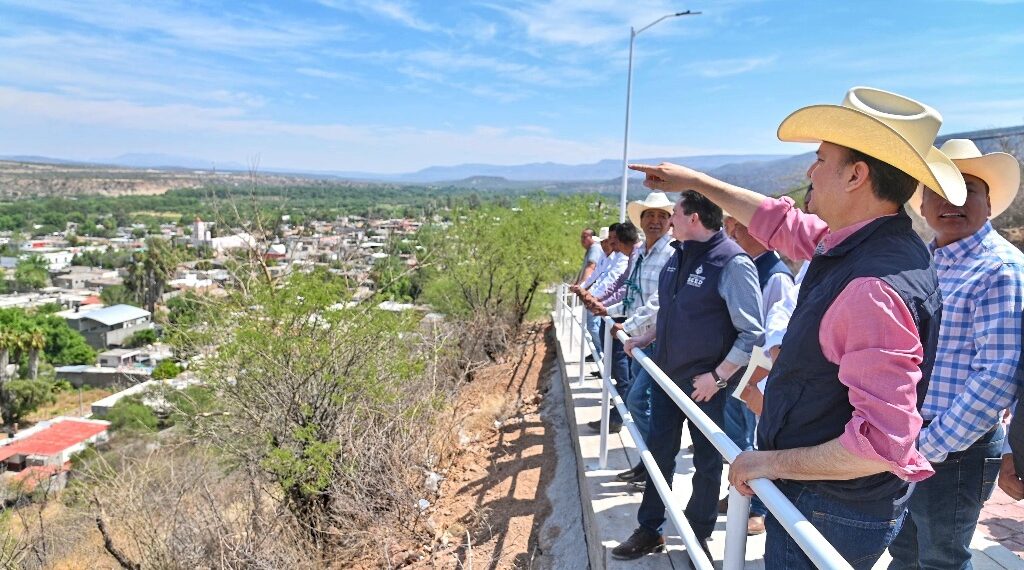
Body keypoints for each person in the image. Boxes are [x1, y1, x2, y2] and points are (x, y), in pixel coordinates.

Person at [629, 86, 966, 569]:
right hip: (830, 498)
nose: (810, 171)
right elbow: (778, 222)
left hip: (830, 506)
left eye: (821, 158)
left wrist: (768, 462)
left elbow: (879, 445)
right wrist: (698, 181)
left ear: (856, 175)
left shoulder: (871, 286)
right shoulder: (865, 244)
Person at [888, 139, 1024, 569]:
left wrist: (930, 445)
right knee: (906, 549)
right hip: (916, 440)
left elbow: (998, 374)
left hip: (952, 449)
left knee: (940, 559)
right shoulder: (928, 260)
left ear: (989, 205)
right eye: (941, 191)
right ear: (923, 205)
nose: (953, 201)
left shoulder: (998, 268)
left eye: (968, 190)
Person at [610, 191, 763, 562]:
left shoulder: (731, 263)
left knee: (707, 465)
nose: (669, 220)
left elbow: (752, 333)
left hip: (707, 389)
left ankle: (698, 537)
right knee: (658, 456)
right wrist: (648, 336)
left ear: (693, 218)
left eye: (674, 214)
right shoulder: (678, 256)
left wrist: (718, 376)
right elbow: (673, 311)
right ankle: (651, 531)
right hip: (667, 380)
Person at [720, 212, 794, 535]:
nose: (734, 233)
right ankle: (740, 493)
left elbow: (774, 336)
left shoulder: (776, 276)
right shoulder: (745, 266)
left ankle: (760, 509)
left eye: (742, 227)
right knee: (737, 432)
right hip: (743, 367)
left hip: (759, 373)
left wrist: (757, 380)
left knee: (757, 437)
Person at [583, 193, 674, 437]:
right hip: (638, 340)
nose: (655, 221)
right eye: (650, 215)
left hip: (656, 339)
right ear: (641, 221)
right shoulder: (642, 253)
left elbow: (661, 300)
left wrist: (627, 324)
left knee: (638, 400)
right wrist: (608, 311)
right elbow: (632, 294)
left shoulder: (673, 253)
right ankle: (649, 459)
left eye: (662, 216)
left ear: (670, 222)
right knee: (642, 400)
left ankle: (653, 459)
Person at [576, 221, 641, 431]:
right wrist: (595, 299)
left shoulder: (631, 256)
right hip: (623, 318)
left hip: (630, 323)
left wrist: (601, 304)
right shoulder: (621, 256)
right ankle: (618, 416)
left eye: (613, 240)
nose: (610, 243)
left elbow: (627, 289)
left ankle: (618, 419)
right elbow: (616, 283)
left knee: (625, 374)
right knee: (620, 369)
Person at [573, 225, 627, 360]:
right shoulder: (606, 257)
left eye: (607, 240)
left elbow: (613, 280)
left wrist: (592, 296)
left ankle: (602, 359)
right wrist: (585, 290)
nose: (605, 244)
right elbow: (599, 276)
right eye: (603, 241)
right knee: (599, 332)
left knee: (615, 349)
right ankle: (601, 357)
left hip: (613, 305)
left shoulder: (620, 257)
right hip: (605, 302)